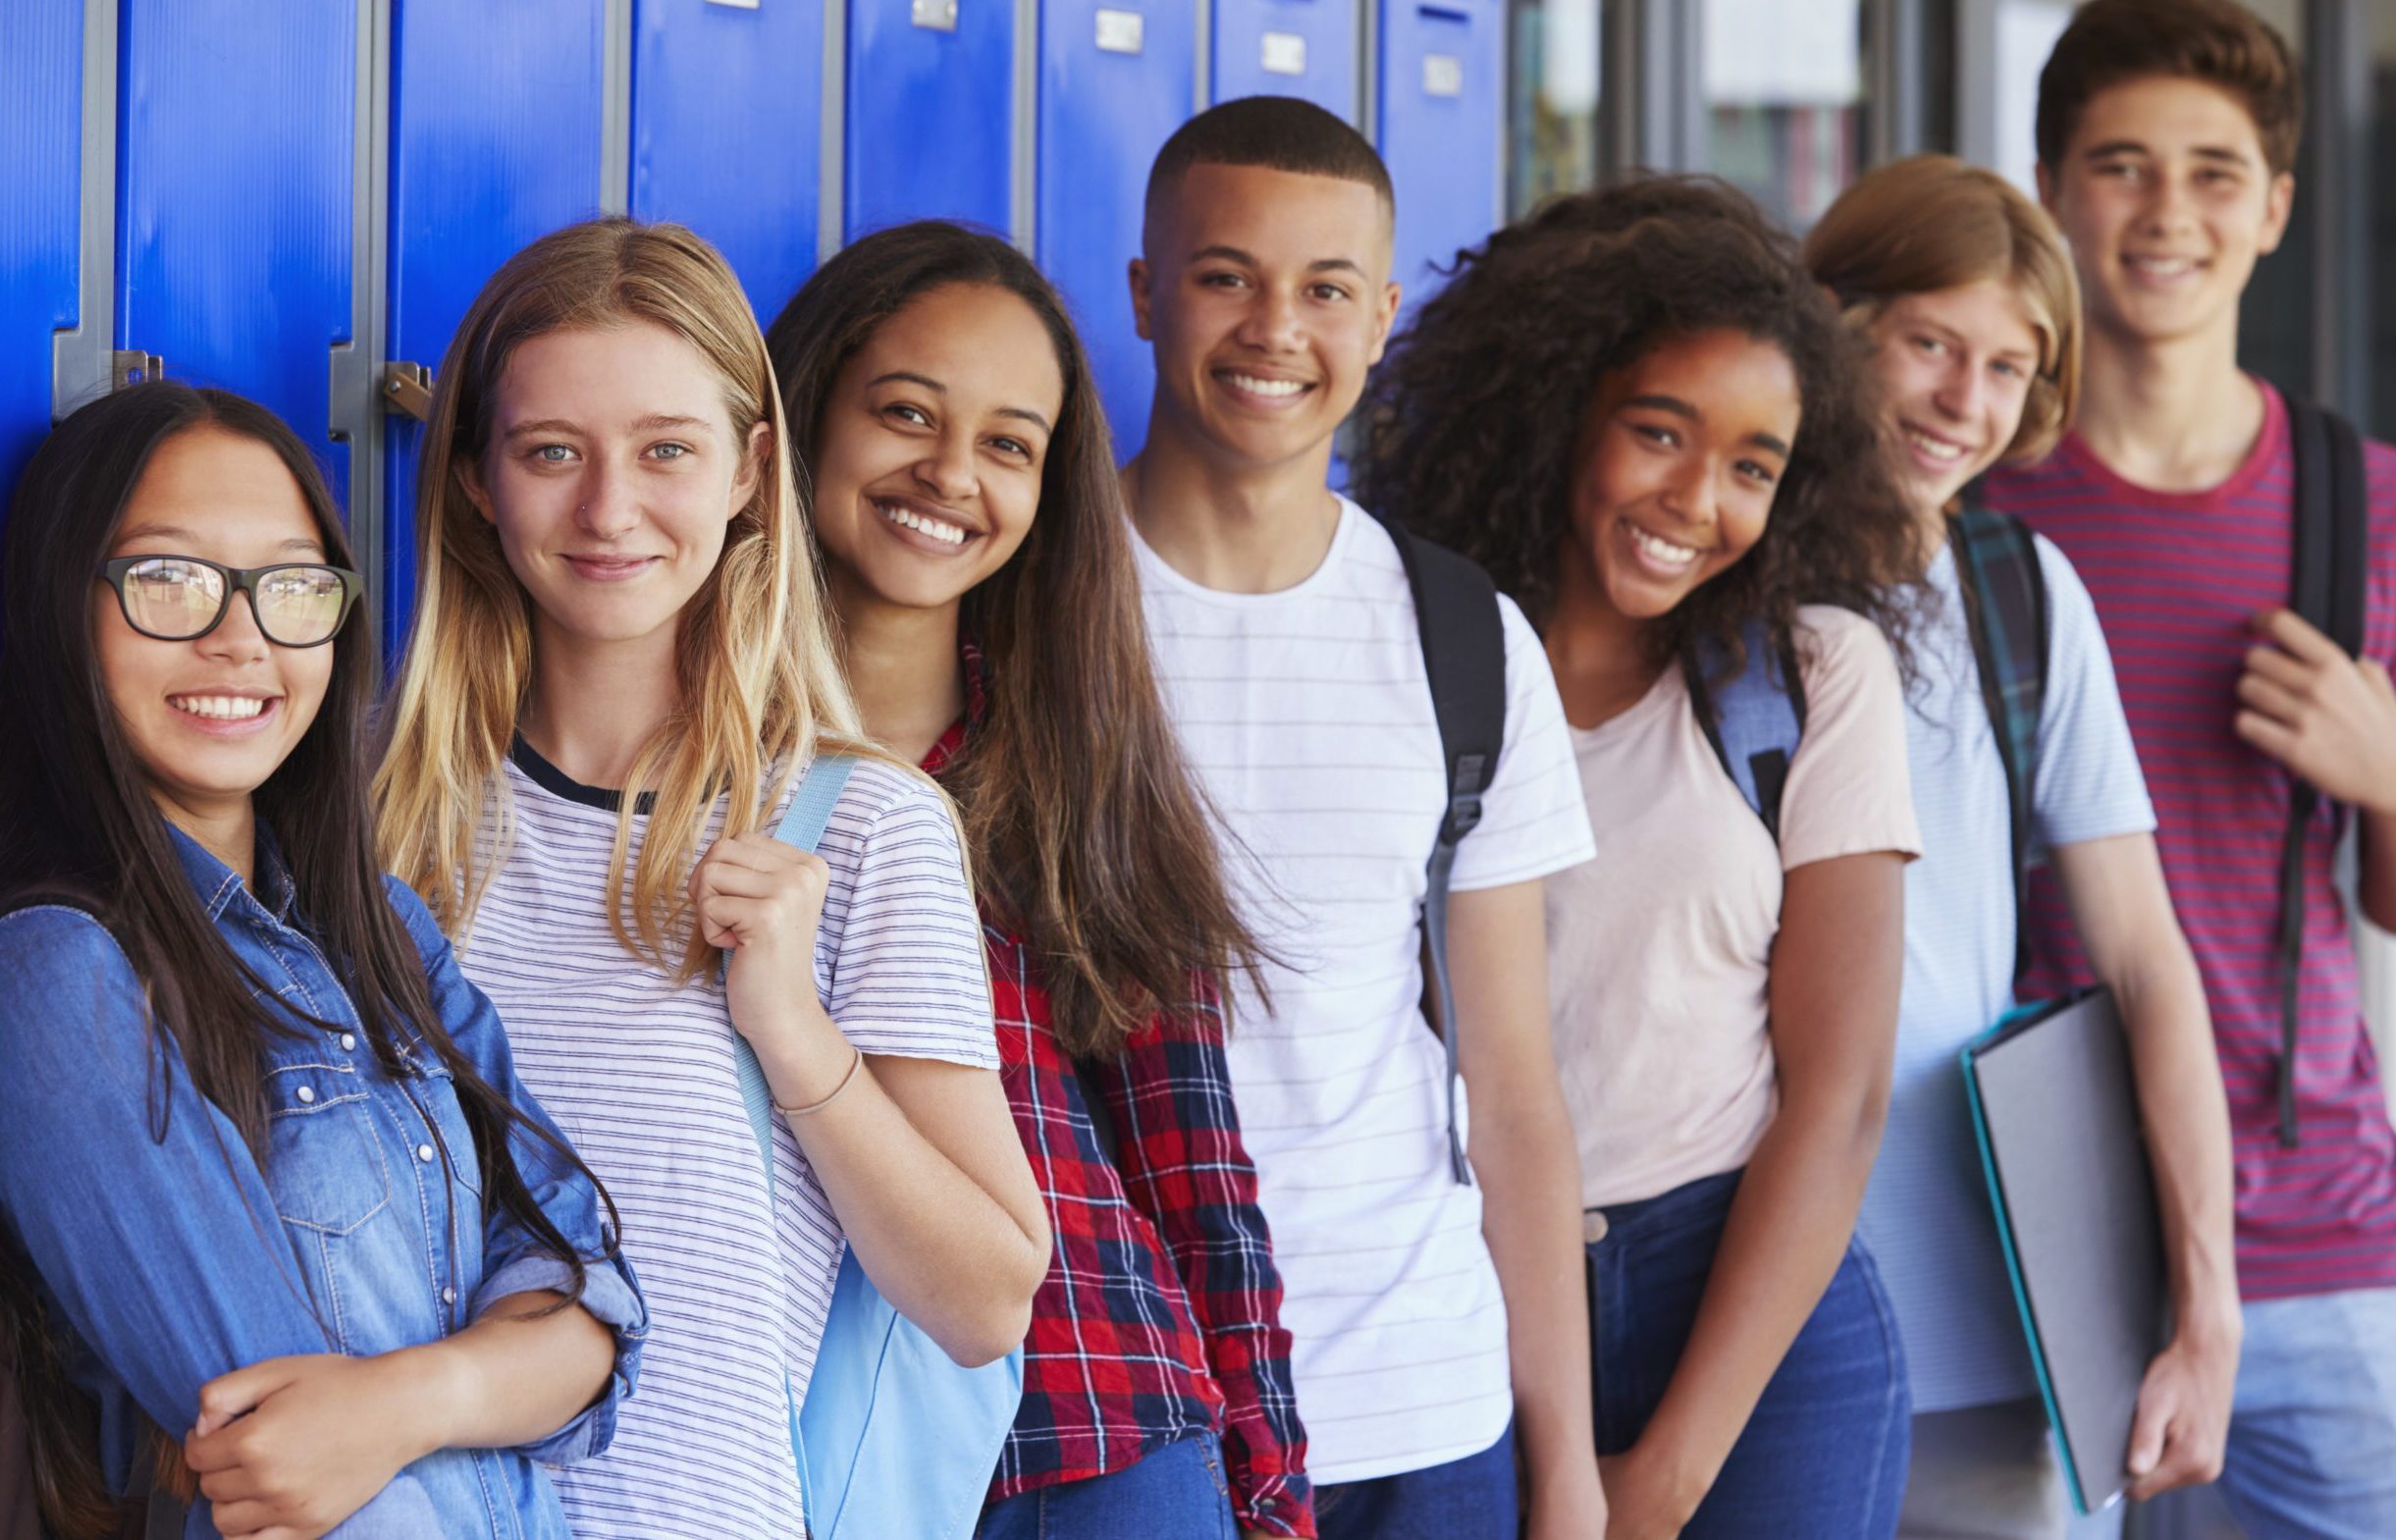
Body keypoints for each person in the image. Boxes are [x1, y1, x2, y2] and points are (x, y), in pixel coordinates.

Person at [375, 217, 1049, 1537]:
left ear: (750, 471)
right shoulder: (375, 814)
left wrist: (792, 1032)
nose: (609, 508)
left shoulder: (862, 827)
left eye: (665, 450)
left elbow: (984, 1300)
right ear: (474, 477)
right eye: (551, 451)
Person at [1357, 176, 1922, 1540]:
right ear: (1557, 416)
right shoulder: (1407, 649)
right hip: (1461, 1286)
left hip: (1744, 1315)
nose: (1695, 500)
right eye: (1658, 432)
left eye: (1750, 463)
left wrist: (1669, 1467)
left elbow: (1836, 1101)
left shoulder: (1808, 677)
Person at [0, 383, 645, 1540]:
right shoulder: (60, 977)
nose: (240, 635)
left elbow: (595, 1306)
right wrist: (491, 1379)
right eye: (167, 579)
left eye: (292, 585)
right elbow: (281, 1461)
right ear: (61, 606)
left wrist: (408, 1399)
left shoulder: (384, 934)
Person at [769, 219, 1312, 1538]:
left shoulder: (1073, 766)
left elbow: (1193, 1168)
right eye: (905, 412)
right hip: (791, 1447)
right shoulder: (684, 765)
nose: (950, 473)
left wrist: (1273, 1493)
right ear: (800, 420)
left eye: (1009, 444)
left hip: (1090, 1436)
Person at [1121, 95, 1607, 1540]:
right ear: (1147, 291)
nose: (1277, 327)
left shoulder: (1462, 632)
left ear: (1382, 314)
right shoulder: (1032, 609)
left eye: (1325, 288)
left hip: (1426, 1407)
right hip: (1138, 1408)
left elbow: (1511, 1088)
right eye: (1226, 276)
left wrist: (1565, 1460)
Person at [1984, 0, 2396, 1540]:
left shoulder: (2364, 507)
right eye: (2120, 164)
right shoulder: (1983, 505)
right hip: (2024, 1228)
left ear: (2275, 206)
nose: (2167, 212)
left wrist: (2390, 772)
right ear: (2051, 195)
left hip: (2313, 1241)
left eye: (2212, 171)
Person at [1803, 154, 2241, 1537]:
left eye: (2006, 367)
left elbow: (2147, 962)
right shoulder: (1718, 566)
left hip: (2005, 1310)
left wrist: (2204, 1304)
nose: (1962, 402)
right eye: (1928, 344)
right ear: (1833, 324)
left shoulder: (2021, 593)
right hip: (1755, 1311)